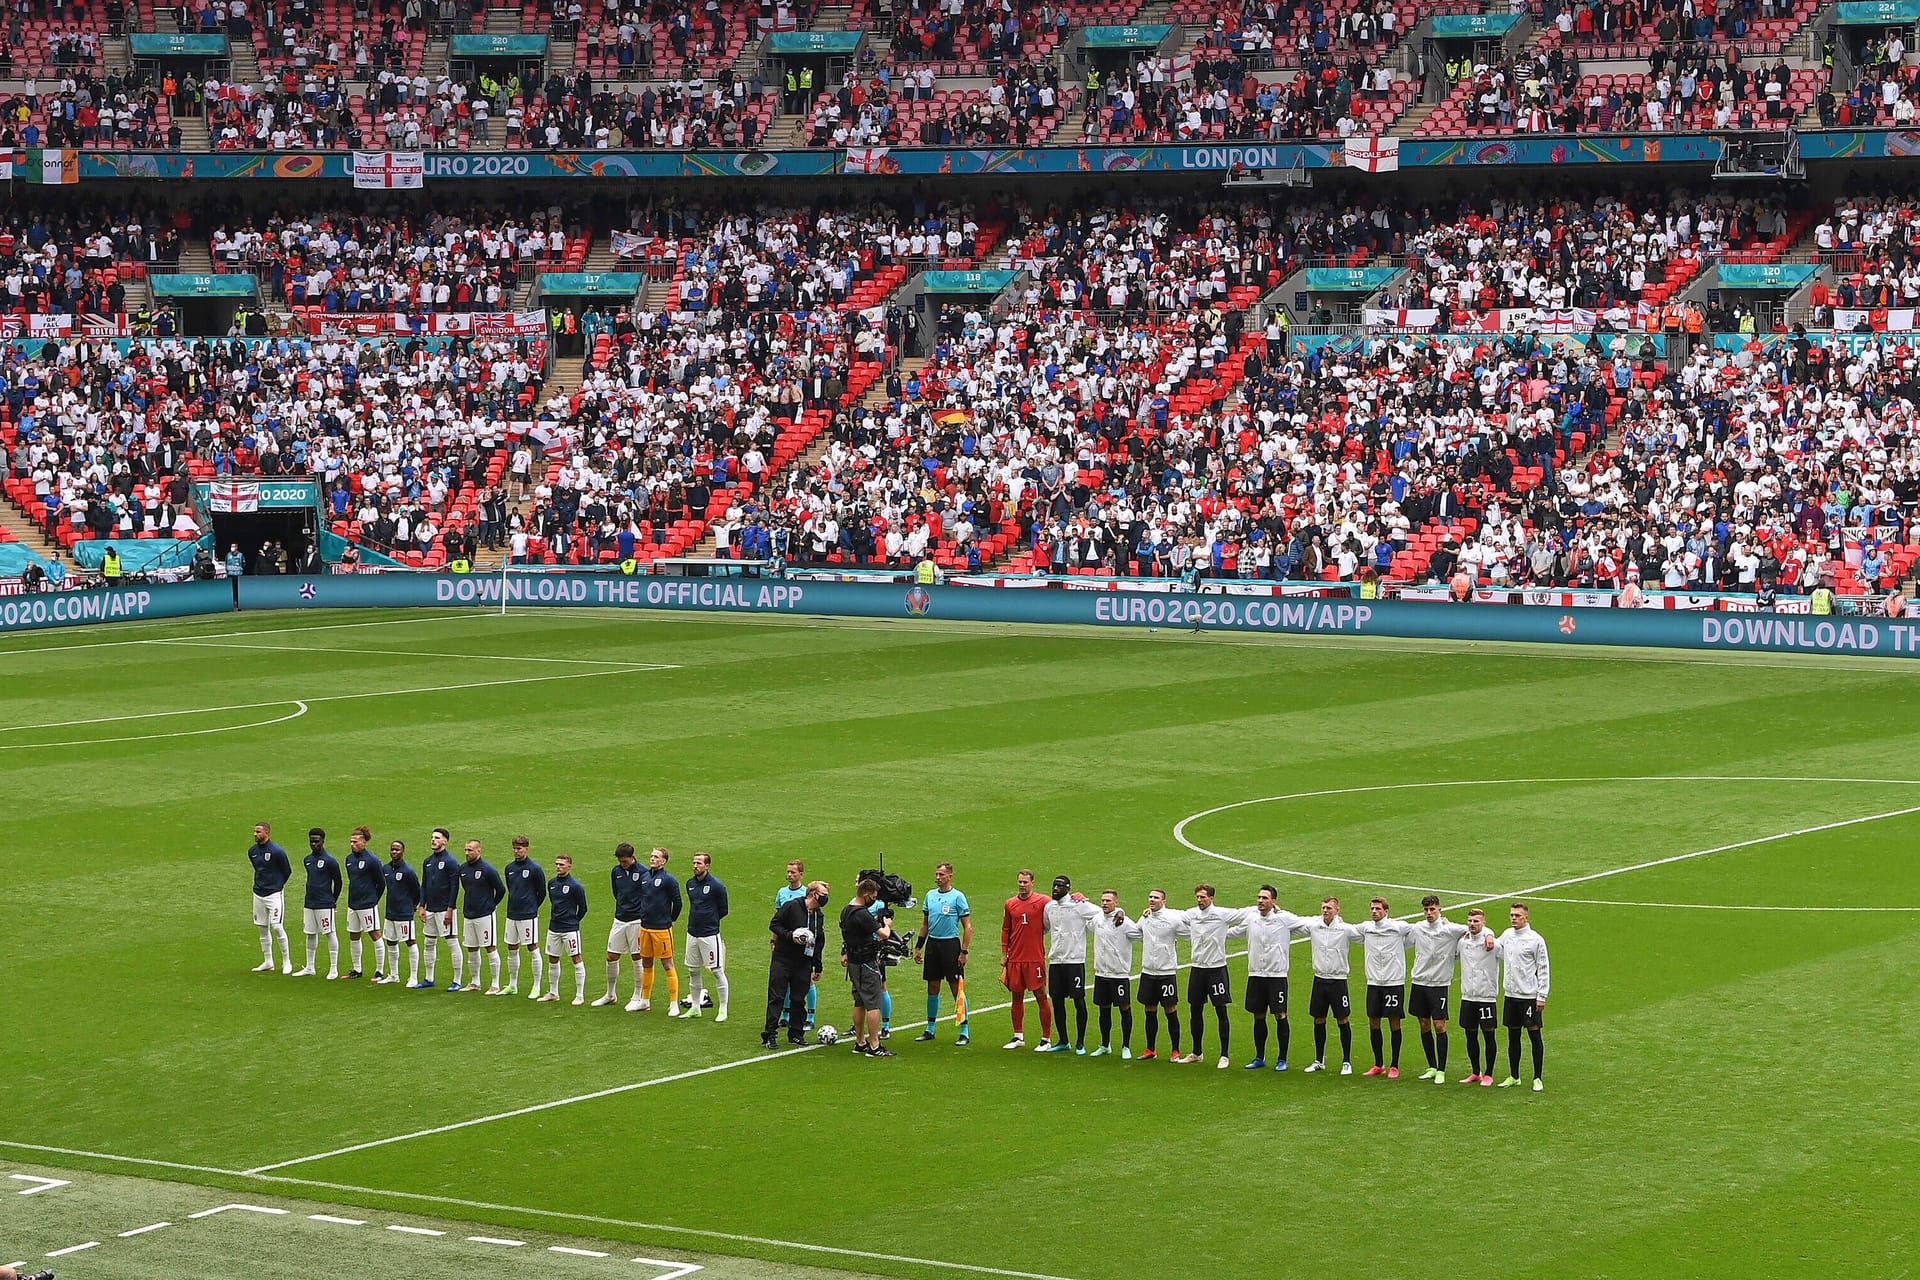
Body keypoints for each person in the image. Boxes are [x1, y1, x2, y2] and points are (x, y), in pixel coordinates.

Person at [1175, 883, 1244, 1067]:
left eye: (1203, 897)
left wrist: (1273, 910)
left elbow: (1245, 913)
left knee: (1221, 1010)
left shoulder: (1221, 914)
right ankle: (1197, 1052)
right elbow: (1173, 916)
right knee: (1195, 1010)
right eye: (1197, 897)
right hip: (1197, 969)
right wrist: (1149, 912)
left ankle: (1224, 1055)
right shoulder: (1192, 914)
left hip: (1216, 970)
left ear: (1211, 898)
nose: (1199, 900)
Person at [1242, 886, 1309, 1071]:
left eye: (1264, 898)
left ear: (1273, 901)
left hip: (1276, 976)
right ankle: (1259, 1057)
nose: (1260, 901)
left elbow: (1307, 924)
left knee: (1280, 1015)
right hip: (1256, 974)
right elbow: (1235, 931)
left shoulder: (1283, 919)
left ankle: (1282, 1058)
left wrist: (1332, 920)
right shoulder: (1252, 919)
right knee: (1258, 1016)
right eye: (1258, 897)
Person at [1408, 894, 1469, 1083]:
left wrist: (1489, 936)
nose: (1429, 913)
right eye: (1426, 910)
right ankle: (1432, 1066)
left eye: (1432, 909)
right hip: (1419, 983)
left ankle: (1442, 1070)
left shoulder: (1450, 929)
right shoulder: (1417, 928)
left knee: (1439, 1025)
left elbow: (1476, 929)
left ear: (1439, 909)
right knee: (1424, 1024)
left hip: (1439, 985)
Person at [764, 878, 830, 1048]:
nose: (825, 898)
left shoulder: (818, 916)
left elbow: (819, 941)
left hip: (803, 962)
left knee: (799, 999)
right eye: (823, 895)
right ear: (813, 894)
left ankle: (796, 1033)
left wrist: (818, 965)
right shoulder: (792, 906)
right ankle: (770, 1034)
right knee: (777, 997)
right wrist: (790, 935)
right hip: (783, 959)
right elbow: (775, 924)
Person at [1039, 875, 1101, 1054]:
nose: (1055, 889)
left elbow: (1101, 914)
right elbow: (1045, 927)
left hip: (1075, 961)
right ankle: (1063, 1040)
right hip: (1056, 961)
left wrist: (1117, 912)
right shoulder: (1049, 907)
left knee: (1078, 1001)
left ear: (1068, 888)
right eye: (1053, 886)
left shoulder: (1079, 906)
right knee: (1057, 1001)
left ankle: (1080, 1042)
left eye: (1059, 886)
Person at [1356, 896, 1415, 1078]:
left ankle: (1394, 1065)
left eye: (1378, 909)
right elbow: (1347, 931)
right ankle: (1378, 1063)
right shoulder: (1366, 928)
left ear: (1386, 911)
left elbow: (1418, 930)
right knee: (1373, 1021)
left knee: (1393, 1021)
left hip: (1393, 983)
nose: (1374, 911)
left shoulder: (1397, 927)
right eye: (1372, 908)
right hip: (1373, 982)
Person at [1302, 896, 1362, 1074]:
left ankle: (1346, 1061)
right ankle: (1319, 1060)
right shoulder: (1314, 925)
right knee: (1318, 1019)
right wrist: (1278, 912)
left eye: (1329, 908)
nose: (1325, 910)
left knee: (1342, 1019)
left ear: (1337, 910)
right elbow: (1294, 922)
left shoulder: (1345, 929)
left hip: (1338, 981)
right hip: (1319, 980)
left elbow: (1366, 935)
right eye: (1323, 907)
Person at [914, 861, 971, 1045]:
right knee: (932, 987)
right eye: (937, 874)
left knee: (956, 988)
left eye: (941, 875)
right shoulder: (930, 896)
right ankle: (930, 1028)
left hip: (950, 946)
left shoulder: (957, 897)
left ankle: (964, 1030)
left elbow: (967, 927)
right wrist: (918, 947)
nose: (938, 878)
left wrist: (963, 951)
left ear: (950, 876)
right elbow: (925, 924)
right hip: (933, 945)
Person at [999, 869, 1054, 1050]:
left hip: (1034, 958)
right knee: (1016, 996)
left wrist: (1078, 897)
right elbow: (1006, 929)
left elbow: (1062, 905)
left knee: (1041, 996)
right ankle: (1018, 1036)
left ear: (1032, 883)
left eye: (1025, 882)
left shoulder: (1043, 901)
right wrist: (1004, 954)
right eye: (1020, 882)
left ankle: (1046, 1039)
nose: (1022, 885)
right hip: (1015, 958)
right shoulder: (1010, 904)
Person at [840, 876, 896, 1057]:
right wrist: (886, 924)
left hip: (854, 963)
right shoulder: (863, 914)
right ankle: (874, 1045)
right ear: (866, 894)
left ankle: (860, 1041)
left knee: (859, 1001)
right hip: (866, 962)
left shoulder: (846, 911)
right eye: (873, 896)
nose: (874, 899)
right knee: (873, 1003)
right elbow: (884, 934)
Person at [1497, 902, 1550, 1091]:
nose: (1513, 918)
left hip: (1529, 996)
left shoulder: (1536, 940)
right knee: (1513, 1036)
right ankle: (1514, 1076)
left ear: (1526, 918)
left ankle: (1537, 1077)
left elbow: (1543, 968)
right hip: (1510, 995)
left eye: (1517, 915)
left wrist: (1541, 995)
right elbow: (1494, 946)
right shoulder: (1507, 935)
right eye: (1512, 915)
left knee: (1534, 1035)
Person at [1134, 888, 1187, 1060]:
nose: (1152, 900)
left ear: (1164, 901)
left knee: (1170, 1009)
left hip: (1166, 972)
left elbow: (1188, 933)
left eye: (1156, 897)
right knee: (1149, 1010)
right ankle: (1150, 1049)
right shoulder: (1145, 917)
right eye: (1150, 897)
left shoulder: (1173, 918)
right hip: (1148, 971)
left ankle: (1175, 1050)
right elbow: (1136, 932)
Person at [596, 842, 647, 1007]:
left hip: (637, 920)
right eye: (620, 861)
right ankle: (610, 994)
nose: (621, 864)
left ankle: (637, 995)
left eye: (624, 861)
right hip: (619, 919)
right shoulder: (616, 872)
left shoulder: (644, 872)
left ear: (633, 857)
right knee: (611, 955)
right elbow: (616, 893)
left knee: (637, 957)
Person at [1090, 889, 1139, 1058]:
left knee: (1124, 1009)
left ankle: (1126, 1046)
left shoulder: (1124, 922)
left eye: (1108, 901)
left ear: (1116, 903)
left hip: (1119, 974)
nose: (1104, 903)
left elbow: (1141, 934)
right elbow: (1086, 915)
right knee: (1104, 1010)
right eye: (1102, 900)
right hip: (1101, 974)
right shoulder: (1097, 919)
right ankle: (1105, 1045)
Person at [681, 851, 729, 1021]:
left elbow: (723, 909)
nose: (695, 866)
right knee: (693, 970)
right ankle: (695, 1007)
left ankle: (723, 1009)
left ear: (707, 866)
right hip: (692, 933)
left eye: (699, 863)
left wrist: (710, 921)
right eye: (694, 863)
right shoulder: (690, 884)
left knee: (716, 971)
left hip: (709, 935)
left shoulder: (716, 885)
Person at [1456, 907, 1501, 1085]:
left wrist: (1490, 934)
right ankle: (1476, 1071)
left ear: (1484, 922)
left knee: (1489, 1035)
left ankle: (1489, 1073)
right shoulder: (1463, 942)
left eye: (1476, 921)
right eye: (1470, 921)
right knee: (1470, 1035)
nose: (1472, 924)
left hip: (1486, 997)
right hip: (1468, 996)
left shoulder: (1493, 944)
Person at [636, 847, 684, 1014]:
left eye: (656, 857)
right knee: (646, 962)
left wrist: (671, 920)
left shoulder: (669, 880)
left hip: (661, 929)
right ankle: (644, 1000)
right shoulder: (645, 876)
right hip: (645, 927)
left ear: (663, 861)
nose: (652, 859)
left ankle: (673, 1003)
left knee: (667, 963)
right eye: (651, 856)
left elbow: (678, 903)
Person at [457, 838, 507, 994]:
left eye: (470, 850)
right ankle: (475, 981)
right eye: (465, 850)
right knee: (471, 948)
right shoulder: (463, 869)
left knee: (490, 947)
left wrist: (491, 905)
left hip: (485, 915)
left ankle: (495, 984)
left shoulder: (487, 869)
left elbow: (501, 890)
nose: (467, 853)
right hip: (468, 914)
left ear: (479, 850)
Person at [540, 852, 589, 1004]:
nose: (558, 867)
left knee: (576, 958)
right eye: (556, 864)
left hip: (569, 929)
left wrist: (573, 922)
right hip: (553, 927)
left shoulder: (576, 886)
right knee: (553, 959)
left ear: (569, 866)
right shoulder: (552, 883)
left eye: (561, 864)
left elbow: (583, 908)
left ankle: (580, 995)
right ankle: (553, 992)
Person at [294, 827, 343, 979]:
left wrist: (332, 900)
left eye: (317, 841)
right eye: (311, 841)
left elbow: (338, 882)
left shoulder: (330, 861)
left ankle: (334, 968)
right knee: (310, 933)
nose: (314, 844)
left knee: (329, 933)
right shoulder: (307, 860)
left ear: (323, 841)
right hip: (309, 902)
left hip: (324, 903)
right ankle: (310, 967)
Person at [774, 859, 817, 1029]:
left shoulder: (807, 893)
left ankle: (810, 1016)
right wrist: (773, 940)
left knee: (807, 980)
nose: (789, 875)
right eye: (788, 872)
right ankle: (785, 1014)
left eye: (793, 872)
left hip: (804, 943)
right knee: (785, 980)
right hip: (785, 941)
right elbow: (777, 919)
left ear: (801, 874)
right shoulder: (782, 892)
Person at [418, 827, 463, 990]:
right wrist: (421, 906)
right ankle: (429, 978)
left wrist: (450, 909)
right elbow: (424, 885)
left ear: (445, 841)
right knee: (429, 942)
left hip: (445, 909)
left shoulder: (451, 861)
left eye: (437, 838)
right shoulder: (427, 861)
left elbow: (454, 887)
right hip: (430, 909)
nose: (433, 840)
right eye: (432, 837)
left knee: (451, 942)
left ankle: (457, 980)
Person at [502, 835, 547, 997]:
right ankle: (512, 984)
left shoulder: (535, 868)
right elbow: (510, 888)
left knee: (532, 947)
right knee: (511, 947)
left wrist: (532, 907)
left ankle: (536, 986)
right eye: (514, 848)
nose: (516, 851)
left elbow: (541, 892)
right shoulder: (509, 868)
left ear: (526, 849)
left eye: (519, 848)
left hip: (528, 915)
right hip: (511, 914)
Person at [247, 821, 293, 974]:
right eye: (254, 831)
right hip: (258, 894)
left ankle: (287, 962)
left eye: (258, 832)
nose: (255, 834)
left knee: (277, 926)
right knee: (262, 928)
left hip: (273, 895)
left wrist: (277, 885)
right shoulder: (252, 851)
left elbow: (287, 871)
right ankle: (268, 961)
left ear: (267, 833)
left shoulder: (277, 851)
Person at [342, 825, 385, 981]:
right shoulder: (349, 859)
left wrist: (373, 900)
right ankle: (357, 969)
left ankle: (380, 971)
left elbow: (381, 883)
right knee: (354, 935)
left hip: (367, 904)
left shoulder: (372, 860)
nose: (352, 844)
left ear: (363, 842)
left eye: (355, 842)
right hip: (352, 904)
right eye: (351, 842)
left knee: (374, 934)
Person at [379, 837, 422, 987]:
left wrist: (414, 906)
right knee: (391, 941)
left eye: (397, 849)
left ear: (403, 851)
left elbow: (417, 890)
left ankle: (413, 976)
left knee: (410, 942)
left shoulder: (408, 871)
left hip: (404, 913)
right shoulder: (385, 869)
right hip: (390, 912)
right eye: (392, 849)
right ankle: (393, 975)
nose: (394, 852)